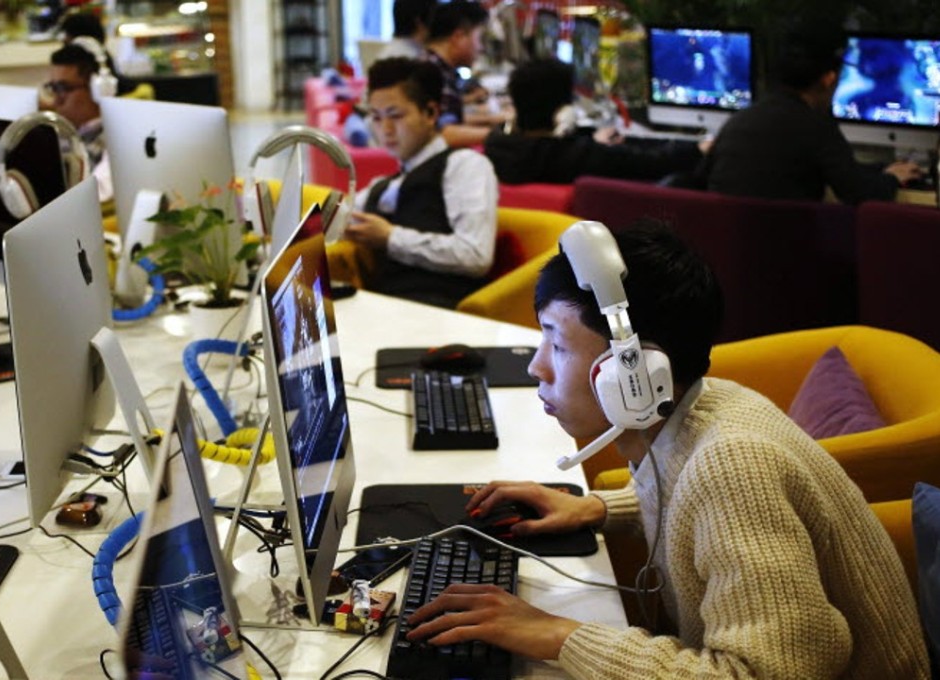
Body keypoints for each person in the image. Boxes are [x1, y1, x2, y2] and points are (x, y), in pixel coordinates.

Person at [405, 220, 929, 676]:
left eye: (558, 345)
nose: (535, 367)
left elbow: (760, 673)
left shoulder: (734, 467)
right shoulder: (701, 406)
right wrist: (598, 508)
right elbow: (697, 506)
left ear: (632, 376)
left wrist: (558, 636)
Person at [700, 25, 922, 204]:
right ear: (828, 79)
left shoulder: (740, 119)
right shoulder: (815, 126)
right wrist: (893, 179)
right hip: (787, 252)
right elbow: (857, 192)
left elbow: (703, 176)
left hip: (727, 251)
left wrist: (880, 169)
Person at [345, 57, 498, 309]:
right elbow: (339, 216)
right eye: (376, 117)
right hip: (383, 308)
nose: (385, 129)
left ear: (431, 113)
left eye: (395, 116)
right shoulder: (382, 184)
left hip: (442, 311)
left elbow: (476, 255)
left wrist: (390, 237)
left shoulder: (464, 165)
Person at [485, 59, 708, 185]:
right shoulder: (582, 157)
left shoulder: (497, 145)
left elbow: (552, 147)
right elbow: (652, 162)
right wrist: (698, 148)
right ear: (563, 111)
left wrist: (589, 139)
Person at [423, 0, 506, 148]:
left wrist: (495, 118)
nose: (481, 48)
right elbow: (442, 133)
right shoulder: (431, 73)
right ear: (458, 37)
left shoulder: (438, 67)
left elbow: (451, 120)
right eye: (479, 38)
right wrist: (502, 137)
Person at [46, 43, 112, 200]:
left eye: (63, 87)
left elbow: (95, 197)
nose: (56, 99)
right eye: (52, 87)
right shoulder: (58, 132)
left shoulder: (115, 141)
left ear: (97, 90)